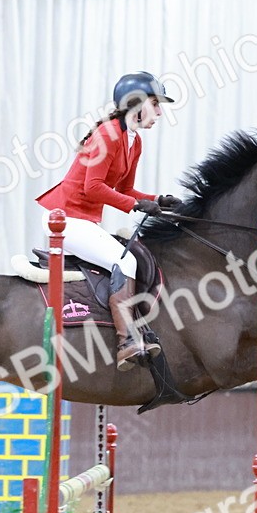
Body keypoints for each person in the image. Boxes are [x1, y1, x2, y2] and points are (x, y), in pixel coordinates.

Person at [36, 71, 182, 371]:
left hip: (84, 220)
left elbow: (125, 190)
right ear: (136, 104)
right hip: (65, 219)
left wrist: (156, 200)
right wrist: (136, 205)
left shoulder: (133, 141)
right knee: (124, 260)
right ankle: (126, 341)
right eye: (155, 104)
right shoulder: (108, 134)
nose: (159, 113)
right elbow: (93, 187)